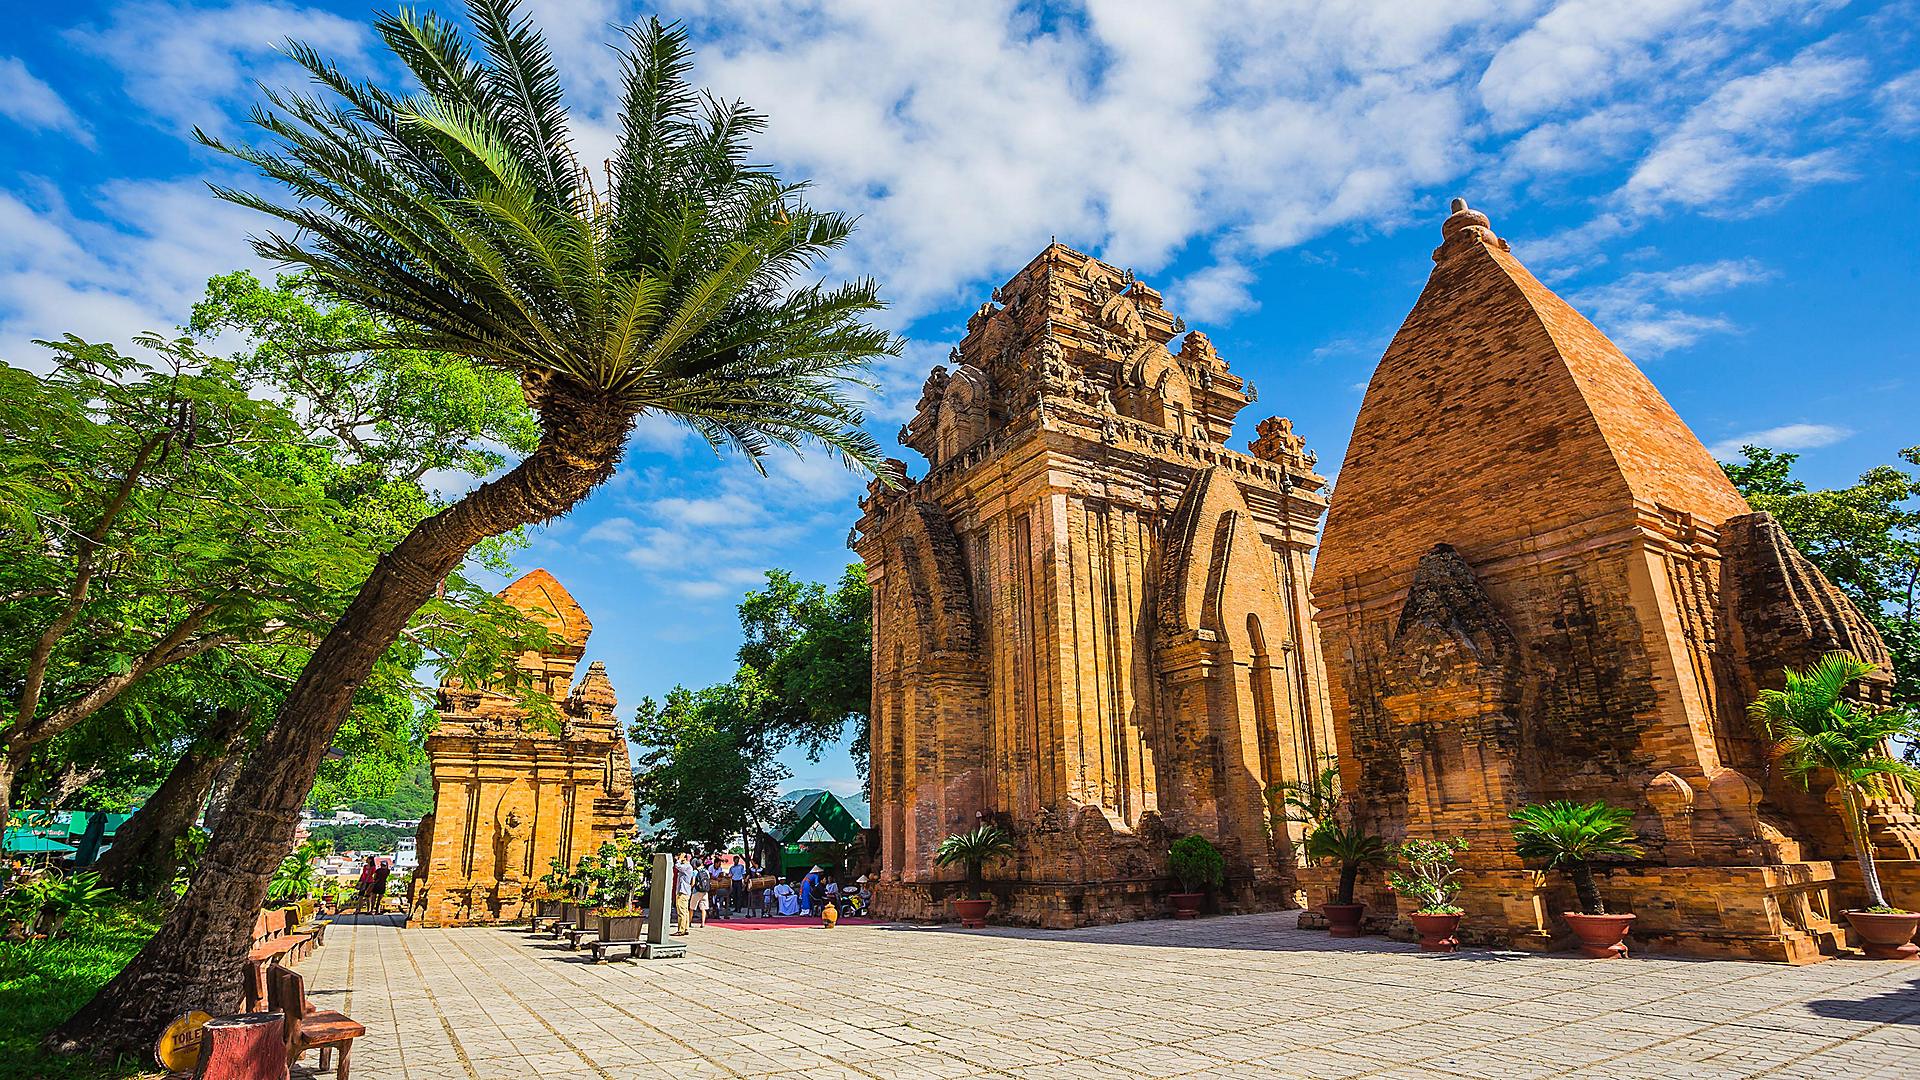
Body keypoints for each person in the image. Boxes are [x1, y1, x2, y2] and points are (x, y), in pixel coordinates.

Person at [672, 853, 694, 936]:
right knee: (685, 911)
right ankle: (685, 928)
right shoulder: (688, 867)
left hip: (683, 892)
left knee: (681, 911)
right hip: (684, 891)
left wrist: (679, 859)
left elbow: (677, 866)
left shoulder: (687, 866)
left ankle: (681, 930)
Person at [691, 857, 713, 927]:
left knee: (692, 908)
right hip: (705, 892)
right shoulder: (706, 871)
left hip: (696, 891)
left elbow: (693, 882)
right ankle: (703, 923)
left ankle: (689, 922)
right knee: (703, 908)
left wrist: (691, 888)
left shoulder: (695, 871)